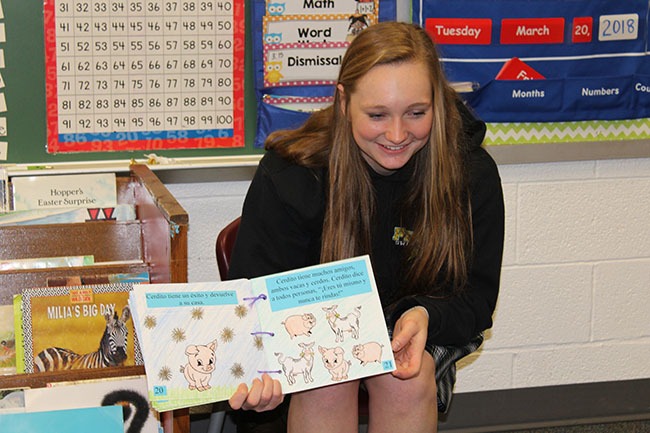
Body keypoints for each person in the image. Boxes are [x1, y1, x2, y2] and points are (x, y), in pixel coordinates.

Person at [226, 21, 505, 433]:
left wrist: (427, 314)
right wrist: (260, 368)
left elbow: (477, 298)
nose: (396, 135)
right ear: (343, 102)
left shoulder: (471, 174)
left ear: (437, 104)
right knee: (326, 380)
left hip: (426, 322)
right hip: (309, 336)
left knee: (403, 380)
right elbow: (252, 302)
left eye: (416, 113)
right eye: (377, 115)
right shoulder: (292, 174)